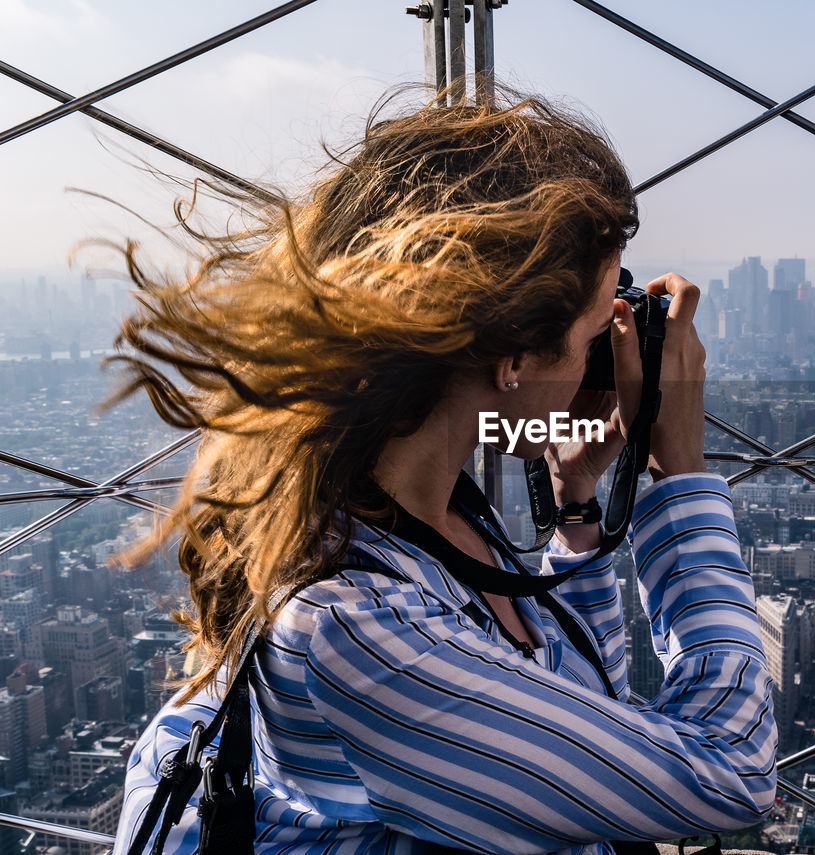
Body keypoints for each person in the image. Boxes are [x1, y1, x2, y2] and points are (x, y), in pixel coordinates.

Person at [113, 90, 777, 853]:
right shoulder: (355, 628)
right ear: (516, 358)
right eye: (600, 325)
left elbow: (584, 728)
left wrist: (576, 502)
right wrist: (682, 474)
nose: (611, 351)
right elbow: (730, 773)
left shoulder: (426, 513)